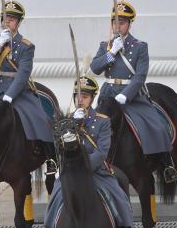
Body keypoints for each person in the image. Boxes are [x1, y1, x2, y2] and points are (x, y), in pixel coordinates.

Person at [90, 0, 177, 183]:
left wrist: (126, 94)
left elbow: (140, 76)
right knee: (90, 125)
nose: (117, 26)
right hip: (108, 95)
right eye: (115, 22)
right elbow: (95, 68)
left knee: (156, 126)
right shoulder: (105, 46)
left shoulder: (140, 46)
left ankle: (165, 162)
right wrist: (111, 53)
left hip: (132, 96)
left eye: (121, 23)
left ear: (129, 24)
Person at [0, 0, 56, 174]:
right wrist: (0, 44)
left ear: (18, 22)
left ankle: (50, 156)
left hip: (18, 88)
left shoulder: (26, 46)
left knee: (38, 116)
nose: (8, 22)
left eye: (12, 19)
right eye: (6, 19)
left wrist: (10, 96)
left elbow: (23, 74)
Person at [44, 75, 133, 228]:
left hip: (96, 171)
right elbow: (59, 148)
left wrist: (83, 166)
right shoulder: (66, 121)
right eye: (78, 96)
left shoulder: (103, 121)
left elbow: (102, 152)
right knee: (55, 200)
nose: (80, 100)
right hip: (70, 171)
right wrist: (74, 124)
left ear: (92, 99)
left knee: (119, 200)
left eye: (85, 97)